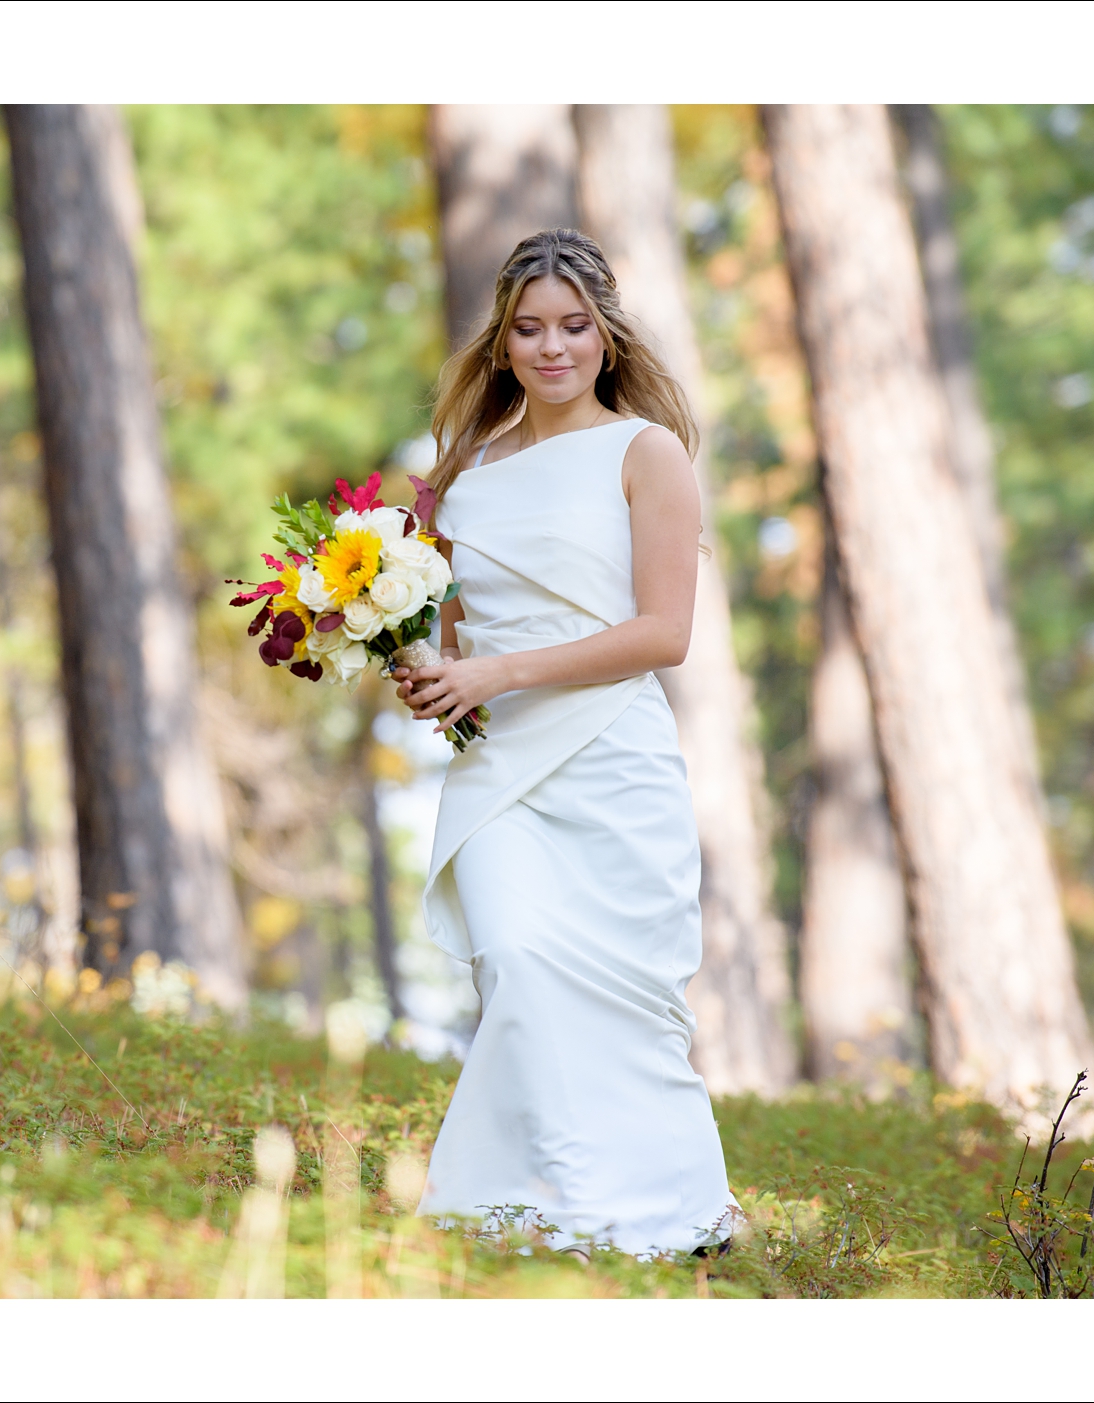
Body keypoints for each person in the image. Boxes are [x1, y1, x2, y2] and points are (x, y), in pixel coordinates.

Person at [394, 228, 741, 1259]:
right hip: (500, 768)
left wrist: (495, 673)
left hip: (609, 757)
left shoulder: (646, 453)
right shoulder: (460, 476)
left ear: (605, 334)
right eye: (528, 329)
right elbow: (454, 636)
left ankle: (664, 1216)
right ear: (499, 344)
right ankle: (528, 1206)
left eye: (572, 326)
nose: (551, 347)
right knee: (517, 963)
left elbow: (661, 634)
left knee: (626, 1000)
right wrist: (425, 671)